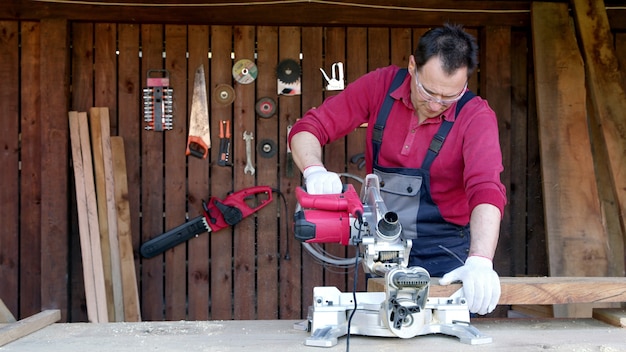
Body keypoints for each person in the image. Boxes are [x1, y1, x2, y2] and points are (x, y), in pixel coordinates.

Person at [288, 24, 507, 315]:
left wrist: (480, 260)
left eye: (449, 97)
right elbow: (309, 128)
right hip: (384, 248)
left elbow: (486, 190)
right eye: (429, 91)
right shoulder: (381, 86)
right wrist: (314, 169)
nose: (437, 104)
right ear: (412, 65)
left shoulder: (476, 116)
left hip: (445, 251)